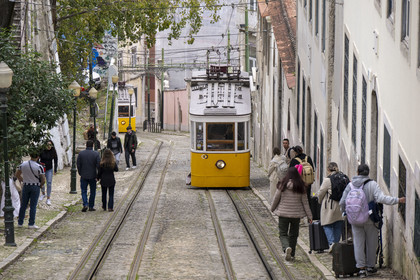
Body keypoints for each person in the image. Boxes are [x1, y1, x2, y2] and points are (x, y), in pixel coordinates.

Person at [339, 164, 406, 278]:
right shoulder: (372, 184)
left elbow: (342, 202)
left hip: (355, 219)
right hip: (370, 219)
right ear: (368, 173)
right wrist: (397, 200)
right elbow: (381, 198)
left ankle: (361, 269)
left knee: (358, 244)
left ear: (357, 172)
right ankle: (370, 266)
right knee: (371, 243)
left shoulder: (350, 185)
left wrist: (345, 213)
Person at [271, 167, 313, 261]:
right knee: (294, 234)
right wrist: (310, 216)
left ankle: (286, 248)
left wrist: (272, 208)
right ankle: (292, 254)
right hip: (296, 215)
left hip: (283, 214)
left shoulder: (283, 185)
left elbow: (276, 198)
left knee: (283, 234)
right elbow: (305, 203)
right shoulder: (301, 186)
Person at [316, 162, 345, 250]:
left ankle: (332, 243)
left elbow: (321, 193)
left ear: (328, 169)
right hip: (341, 205)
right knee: (338, 224)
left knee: (326, 224)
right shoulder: (343, 177)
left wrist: (319, 201)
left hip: (330, 205)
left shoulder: (327, 180)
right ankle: (336, 245)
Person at [15, 150, 46, 229]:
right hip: (35, 186)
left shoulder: (23, 164)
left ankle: (20, 222)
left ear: (30, 156)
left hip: (26, 185)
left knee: (23, 205)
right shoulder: (39, 167)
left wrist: (23, 180)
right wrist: (40, 185)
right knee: (33, 205)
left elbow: (17, 174)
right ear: (38, 157)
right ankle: (31, 224)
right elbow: (43, 179)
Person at [77, 140, 100, 212]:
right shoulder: (96, 154)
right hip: (93, 175)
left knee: (83, 191)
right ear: (93, 145)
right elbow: (98, 165)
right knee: (93, 191)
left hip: (84, 175)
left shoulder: (81, 154)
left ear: (86, 145)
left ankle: (85, 204)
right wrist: (98, 175)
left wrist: (80, 172)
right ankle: (91, 206)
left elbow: (78, 165)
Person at [39, 140, 58, 205]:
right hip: (42, 168)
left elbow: (56, 160)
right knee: (42, 182)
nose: (49, 146)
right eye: (47, 145)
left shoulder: (53, 151)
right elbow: (38, 159)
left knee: (49, 183)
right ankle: (43, 193)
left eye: (50, 145)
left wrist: (55, 169)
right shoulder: (42, 151)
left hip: (49, 169)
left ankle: (48, 198)